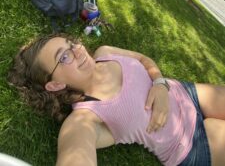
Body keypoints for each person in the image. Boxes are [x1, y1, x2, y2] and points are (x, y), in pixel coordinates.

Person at [8, 33, 225, 166]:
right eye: (64, 57)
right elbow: (75, 152)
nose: (78, 51)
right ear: (55, 84)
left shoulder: (105, 52)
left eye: (71, 43)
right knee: (217, 128)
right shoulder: (86, 118)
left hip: (187, 94)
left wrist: (160, 84)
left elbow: (143, 59)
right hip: (189, 145)